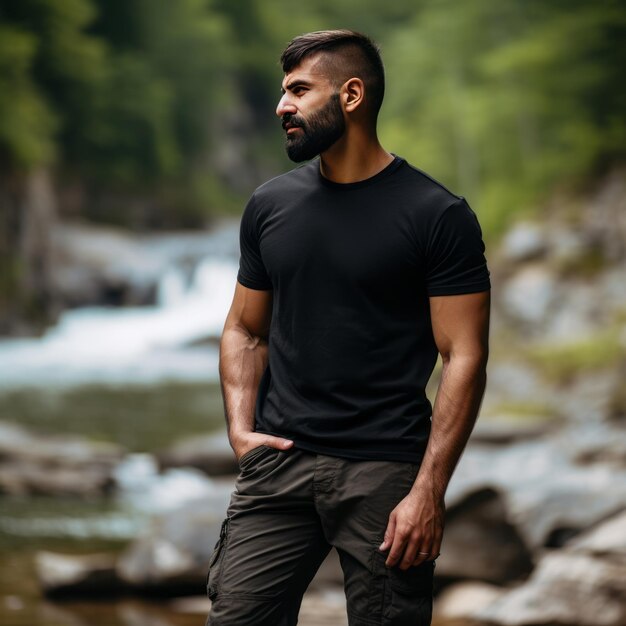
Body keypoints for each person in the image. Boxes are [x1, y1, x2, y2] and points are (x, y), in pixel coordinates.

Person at [206, 29, 490, 626]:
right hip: (278, 465)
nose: (282, 106)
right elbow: (244, 330)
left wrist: (429, 492)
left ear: (352, 95)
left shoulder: (437, 216)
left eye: (299, 91)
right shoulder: (269, 206)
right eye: (284, 92)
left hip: (385, 473)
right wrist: (240, 432)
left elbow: (463, 355)